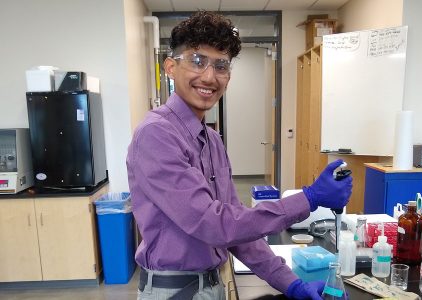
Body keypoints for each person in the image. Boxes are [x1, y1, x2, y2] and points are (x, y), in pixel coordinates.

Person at [126, 11, 352, 300]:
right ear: (171, 67)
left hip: (213, 284)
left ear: (228, 76)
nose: (209, 76)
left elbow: (238, 233)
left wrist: (291, 283)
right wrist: (307, 199)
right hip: (173, 290)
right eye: (197, 61)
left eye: (221, 66)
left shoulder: (211, 140)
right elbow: (214, 224)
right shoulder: (156, 134)